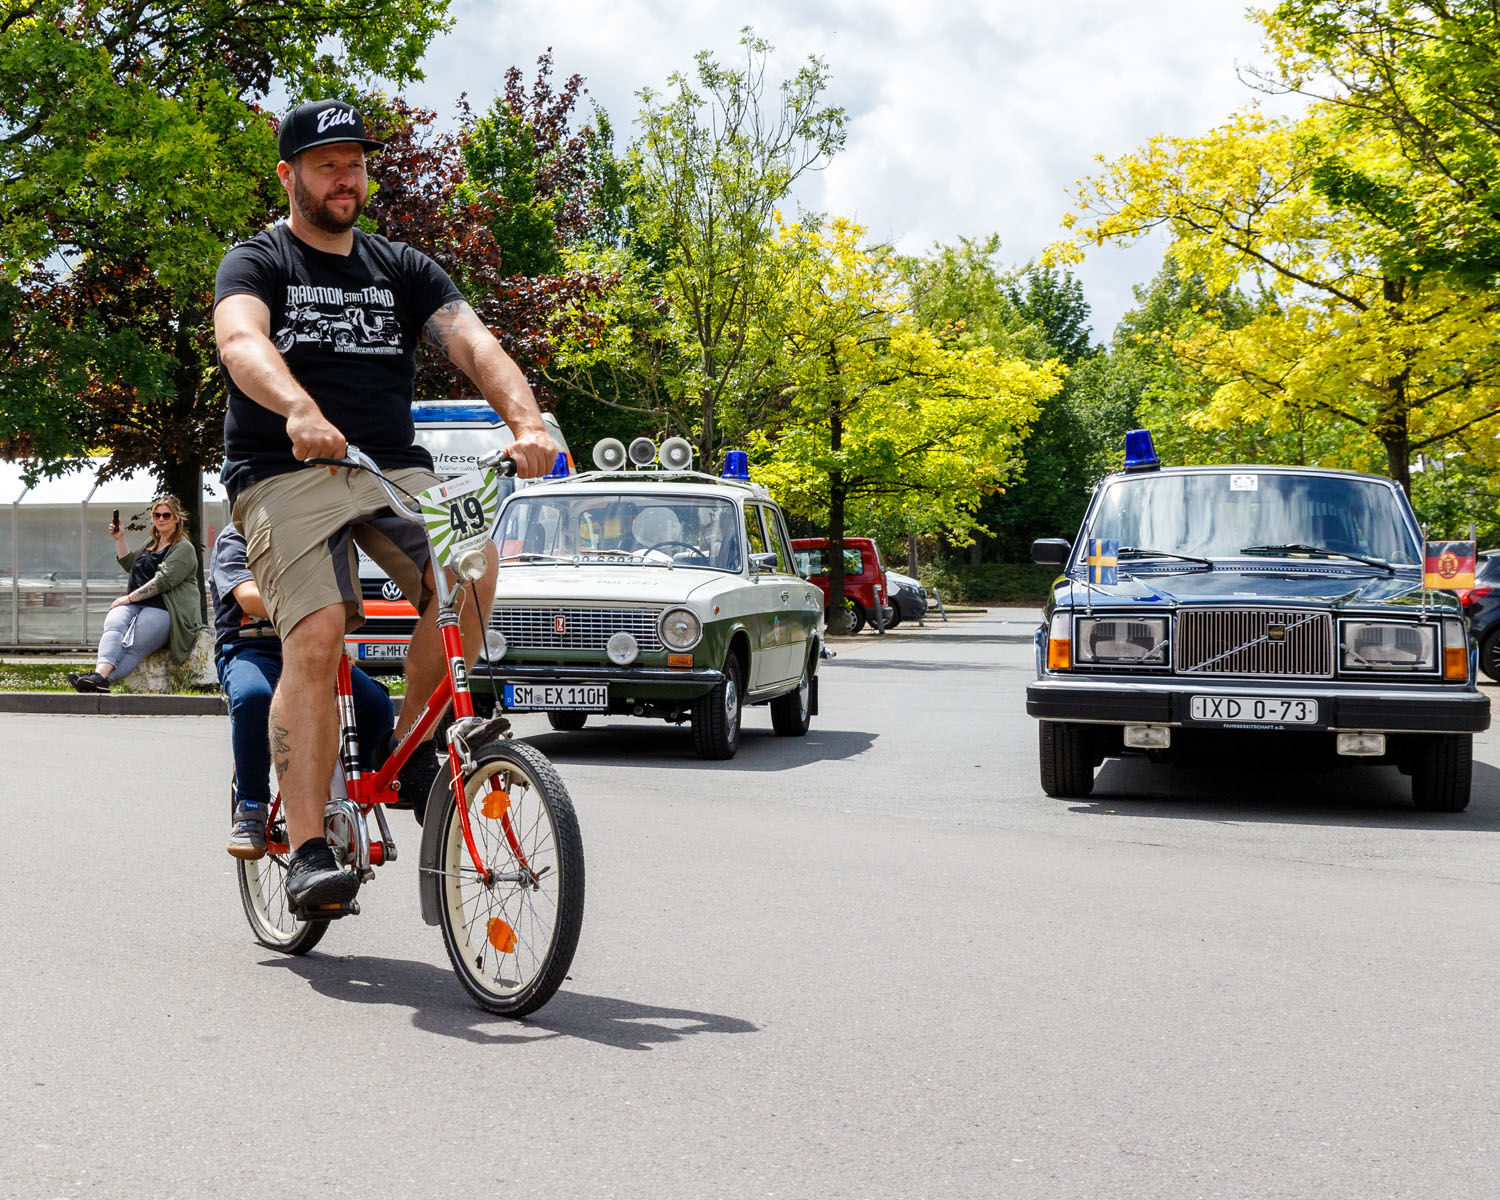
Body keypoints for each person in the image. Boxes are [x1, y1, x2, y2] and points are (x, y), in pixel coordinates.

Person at [213, 98, 554, 913]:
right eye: (327, 163)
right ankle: (304, 849)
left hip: (394, 467)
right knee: (322, 628)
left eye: (356, 162)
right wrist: (297, 408)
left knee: (474, 568)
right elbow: (241, 341)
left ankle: (412, 751)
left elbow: (474, 341)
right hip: (283, 469)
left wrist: (527, 420)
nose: (346, 177)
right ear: (289, 173)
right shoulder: (257, 261)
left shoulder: (402, 266)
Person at [211, 522, 395, 859]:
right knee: (254, 700)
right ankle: (251, 807)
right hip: (250, 648)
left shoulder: (314, 527)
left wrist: (334, 639)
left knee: (375, 703)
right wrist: (313, 611)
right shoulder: (236, 537)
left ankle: (352, 788)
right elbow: (249, 598)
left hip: (310, 646)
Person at [69, 494, 204, 693]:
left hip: (164, 608)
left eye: (166, 515)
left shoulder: (184, 548)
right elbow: (129, 563)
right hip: (135, 604)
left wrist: (128, 598)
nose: (160, 519)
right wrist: (119, 538)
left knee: (134, 645)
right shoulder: (152, 542)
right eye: (157, 515)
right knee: (113, 626)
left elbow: (163, 581)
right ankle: (98, 677)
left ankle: (99, 679)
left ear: (177, 518)